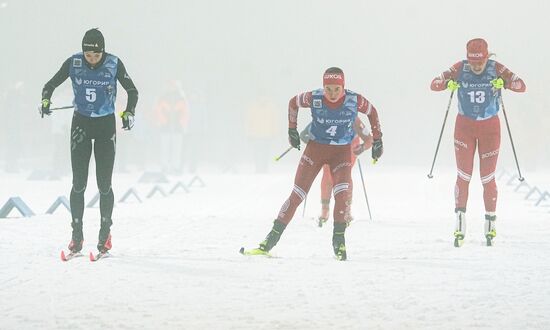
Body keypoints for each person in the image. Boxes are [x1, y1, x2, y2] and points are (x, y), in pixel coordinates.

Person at [243, 67, 383, 260]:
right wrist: (292, 130)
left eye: (336, 89)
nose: (332, 93)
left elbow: (373, 112)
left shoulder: (354, 100)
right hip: (315, 151)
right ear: (323, 86)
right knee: (297, 195)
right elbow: (293, 103)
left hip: (341, 153)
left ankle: (339, 244)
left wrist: (377, 140)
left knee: (342, 195)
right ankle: (269, 242)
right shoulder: (314, 98)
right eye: (328, 89)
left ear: (343, 87)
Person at [40, 28, 138, 256]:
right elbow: (50, 85)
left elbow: (132, 91)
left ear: (102, 52)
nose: (91, 60)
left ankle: (105, 236)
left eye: (95, 55)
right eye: (88, 55)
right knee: (79, 183)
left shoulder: (114, 63)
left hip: (105, 126)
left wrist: (128, 112)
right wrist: (45, 100)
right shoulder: (74, 62)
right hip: (81, 125)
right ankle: (77, 236)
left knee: (104, 184)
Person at [430, 38, 525, 247]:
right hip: (464, 128)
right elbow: (434, 83)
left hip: (490, 129)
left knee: (487, 177)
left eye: (480, 62)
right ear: (467, 59)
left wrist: (505, 83)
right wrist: (448, 83)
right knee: (463, 175)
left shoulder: (495, 68)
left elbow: (521, 85)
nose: (476, 67)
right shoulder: (460, 68)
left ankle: (490, 222)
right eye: (473, 63)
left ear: (486, 57)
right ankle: (459, 223)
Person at [300, 118, 373, 227]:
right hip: (328, 144)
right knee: (327, 173)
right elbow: (303, 135)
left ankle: (346, 210)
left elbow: (369, 140)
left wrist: (362, 148)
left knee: (344, 173)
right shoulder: (324, 114)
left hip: (349, 145)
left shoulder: (352, 116)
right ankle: (325, 209)